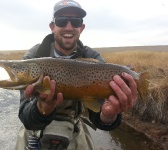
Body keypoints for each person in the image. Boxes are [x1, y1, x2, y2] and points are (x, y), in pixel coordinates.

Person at [15, 0, 137, 149]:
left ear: (82, 27)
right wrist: (42, 109)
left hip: (73, 124)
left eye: (75, 21)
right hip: (35, 129)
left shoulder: (94, 60)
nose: (69, 27)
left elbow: (99, 114)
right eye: (61, 21)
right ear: (52, 27)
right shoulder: (33, 58)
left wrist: (108, 116)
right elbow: (25, 117)